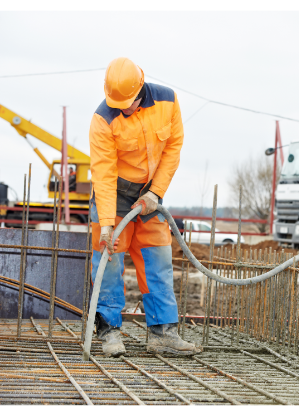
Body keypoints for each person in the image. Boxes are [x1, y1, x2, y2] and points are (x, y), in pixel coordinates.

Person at [89, 57, 199, 357]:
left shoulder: (167, 101)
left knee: (157, 261)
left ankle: (162, 333)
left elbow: (173, 147)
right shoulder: (103, 119)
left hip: (150, 196)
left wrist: (155, 192)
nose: (124, 107)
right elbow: (103, 172)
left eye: (129, 102)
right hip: (113, 194)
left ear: (141, 87)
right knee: (109, 264)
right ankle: (109, 333)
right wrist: (108, 222)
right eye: (118, 103)